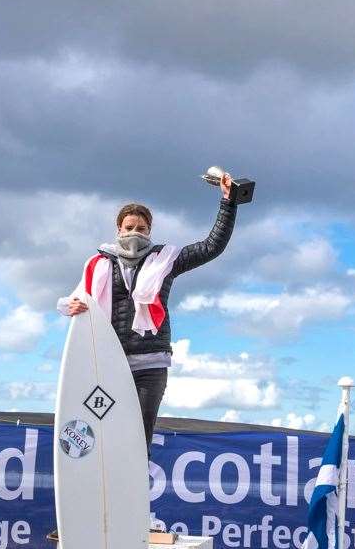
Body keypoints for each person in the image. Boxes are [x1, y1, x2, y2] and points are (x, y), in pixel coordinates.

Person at [59, 171, 239, 444]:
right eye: (129, 227)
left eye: (141, 228)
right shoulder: (98, 264)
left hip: (150, 366)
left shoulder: (165, 260)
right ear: (118, 229)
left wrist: (229, 203)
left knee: (138, 437)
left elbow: (211, 247)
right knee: (104, 435)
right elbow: (74, 299)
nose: (134, 233)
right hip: (107, 363)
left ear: (149, 231)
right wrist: (67, 305)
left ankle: (136, 483)